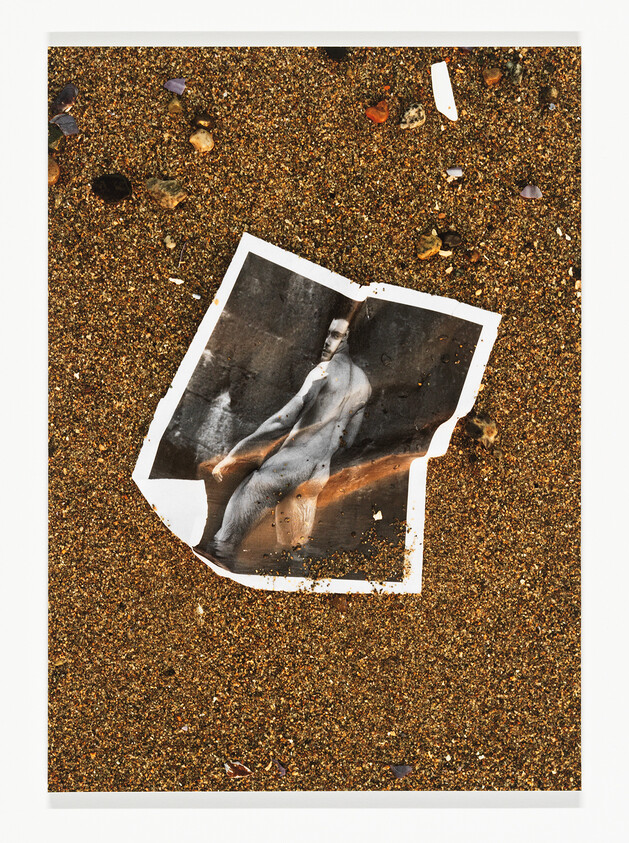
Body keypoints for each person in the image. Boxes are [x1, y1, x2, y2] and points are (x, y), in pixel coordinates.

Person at [207, 317, 371, 562]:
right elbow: (348, 440)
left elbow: (280, 421)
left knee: (225, 542)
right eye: (329, 333)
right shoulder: (364, 385)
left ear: (348, 339)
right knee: (292, 555)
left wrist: (235, 454)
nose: (328, 341)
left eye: (336, 336)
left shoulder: (322, 372)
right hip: (318, 475)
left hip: (287, 468)